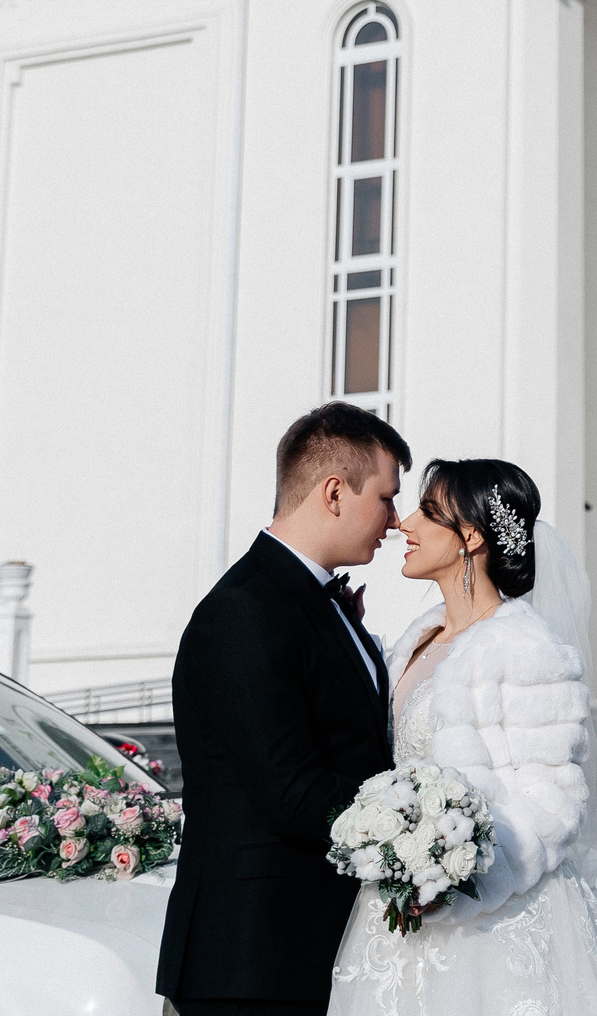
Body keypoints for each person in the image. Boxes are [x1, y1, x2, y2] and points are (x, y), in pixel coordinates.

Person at [330, 458, 597, 1016]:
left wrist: (455, 878)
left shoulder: (524, 649)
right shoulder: (414, 639)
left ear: (470, 536)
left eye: (427, 512)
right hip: (403, 914)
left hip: (499, 916)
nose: (405, 524)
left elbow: (552, 802)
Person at [159, 402, 409, 1016]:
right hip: (251, 957)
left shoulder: (313, 602)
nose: (396, 519)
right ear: (333, 493)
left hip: (301, 945)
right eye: (385, 497)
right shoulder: (246, 610)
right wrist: (417, 825)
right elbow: (289, 789)